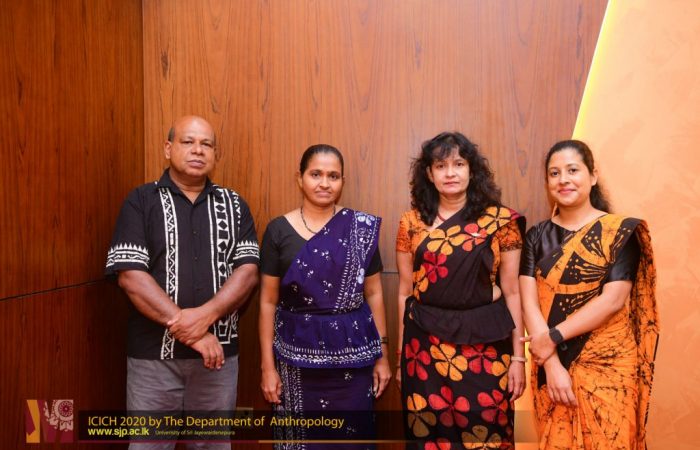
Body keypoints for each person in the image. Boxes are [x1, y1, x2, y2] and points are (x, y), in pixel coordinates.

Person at [105, 115, 260, 449]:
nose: (198, 150)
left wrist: (205, 317)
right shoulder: (141, 201)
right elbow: (130, 276)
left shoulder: (235, 204)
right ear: (168, 148)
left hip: (216, 360)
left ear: (215, 154)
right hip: (153, 359)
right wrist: (193, 331)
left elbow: (248, 272)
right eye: (188, 142)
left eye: (206, 144)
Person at [519, 139, 658, 449]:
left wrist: (551, 338)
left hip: (608, 364)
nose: (563, 180)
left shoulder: (619, 232)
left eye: (573, 170)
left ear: (593, 176)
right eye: (554, 173)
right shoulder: (535, 236)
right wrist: (551, 363)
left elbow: (613, 300)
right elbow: (529, 301)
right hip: (551, 365)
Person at [396, 132, 526, 448]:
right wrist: (401, 358)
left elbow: (512, 291)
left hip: (485, 345)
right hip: (423, 347)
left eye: (458, 164)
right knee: (430, 435)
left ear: (471, 170)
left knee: (488, 431)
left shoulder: (500, 221)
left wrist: (519, 359)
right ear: (429, 174)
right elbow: (404, 292)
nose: (450, 173)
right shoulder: (411, 223)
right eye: (441, 166)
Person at [258, 144, 391, 449]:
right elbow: (267, 302)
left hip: (354, 358)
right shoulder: (278, 230)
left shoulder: (360, 230)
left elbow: (374, 294)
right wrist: (267, 367)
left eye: (333, 176)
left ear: (342, 181)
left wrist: (382, 357)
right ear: (300, 178)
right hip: (295, 358)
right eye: (315, 174)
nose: (325, 183)